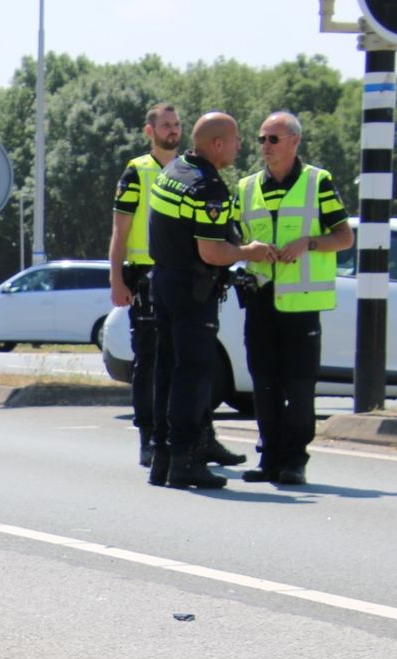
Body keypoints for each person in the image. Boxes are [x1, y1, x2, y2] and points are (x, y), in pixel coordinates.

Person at [108, 102, 244, 471]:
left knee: (185, 363)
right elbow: (120, 230)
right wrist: (116, 277)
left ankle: (197, 439)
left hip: (176, 277)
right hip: (150, 277)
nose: (173, 130)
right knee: (157, 362)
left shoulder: (180, 169)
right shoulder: (139, 172)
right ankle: (152, 438)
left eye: (177, 124)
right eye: (166, 125)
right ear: (149, 131)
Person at [146, 112, 275, 490]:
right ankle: (186, 460)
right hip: (191, 290)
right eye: (235, 139)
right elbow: (211, 251)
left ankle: (163, 459)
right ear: (218, 144)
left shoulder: (174, 170)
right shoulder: (207, 187)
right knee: (194, 374)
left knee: (168, 370)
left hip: (165, 282)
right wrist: (249, 251)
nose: (240, 146)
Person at [234, 111, 351, 486]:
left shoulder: (319, 182)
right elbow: (233, 239)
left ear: (294, 142)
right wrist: (248, 250)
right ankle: (269, 457)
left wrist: (308, 243)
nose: (265, 147)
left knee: (299, 387)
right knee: (264, 383)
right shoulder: (247, 187)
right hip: (260, 300)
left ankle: (295, 459)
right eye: (261, 140)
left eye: (273, 139)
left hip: (301, 304)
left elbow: (344, 237)